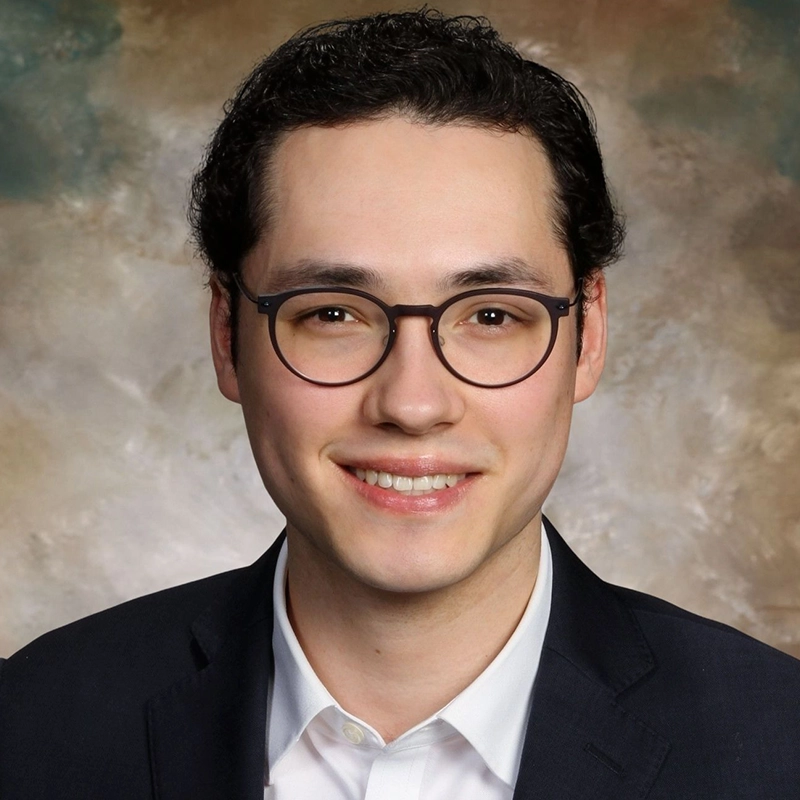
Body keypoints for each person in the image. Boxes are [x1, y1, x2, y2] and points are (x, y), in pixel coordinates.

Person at [1, 9, 798, 799]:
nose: (413, 403)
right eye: (333, 313)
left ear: (587, 336)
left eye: (492, 315)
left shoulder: (777, 747)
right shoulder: (32, 729)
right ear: (225, 333)